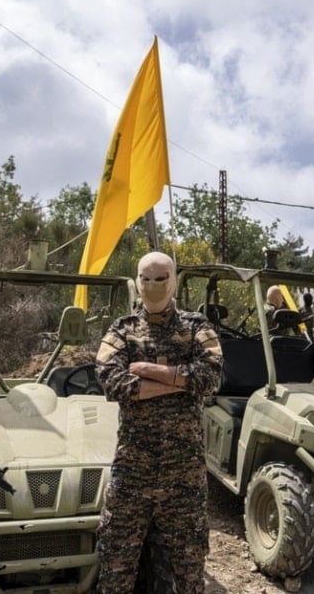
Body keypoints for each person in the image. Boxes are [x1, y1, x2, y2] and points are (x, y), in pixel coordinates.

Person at [95, 252, 222, 593]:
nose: (152, 286)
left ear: (174, 280)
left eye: (160, 278)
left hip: (184, 473)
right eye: (145, 278)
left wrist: (150, 371)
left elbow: (211, 377)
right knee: (116, 564)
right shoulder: (121, 330)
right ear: (137, 281)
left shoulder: (197, 327)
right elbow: (112, 382)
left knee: (189, 568)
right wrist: (180, 381)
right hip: (132, 471)